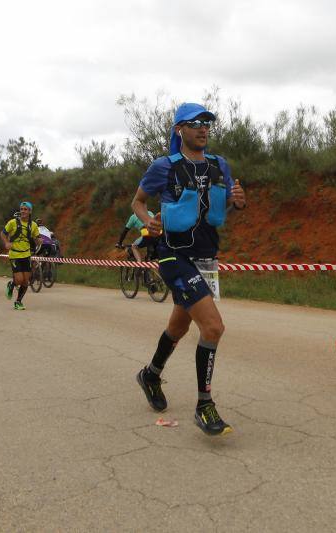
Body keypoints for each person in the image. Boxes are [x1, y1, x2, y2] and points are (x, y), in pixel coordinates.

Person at [130, 102, 246, 437]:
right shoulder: (163, 167)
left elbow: (221, 212)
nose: (203, 129)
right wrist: (147, 220)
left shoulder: (219, 165)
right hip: (172, 255)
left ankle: (151, 374)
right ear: (179, 129)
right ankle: (204, 405)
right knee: (213, 327)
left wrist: (238, 202)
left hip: (206, 257)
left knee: (179, 326)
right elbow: (137, 201)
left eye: (208, 123)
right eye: (195, 123)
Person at [0, 201, 41, 310]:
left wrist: (39, 241)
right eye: (21, 209)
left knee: (25, 281)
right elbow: (3, 233)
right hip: (14, 254)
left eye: (25, 209)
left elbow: (36, 238)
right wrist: (6, 243)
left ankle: (18, 302)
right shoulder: (12, 222)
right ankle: (11, 284)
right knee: (18, 279)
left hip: (26, 255)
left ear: (30, 211)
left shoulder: (33, 225)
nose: (23, 211)